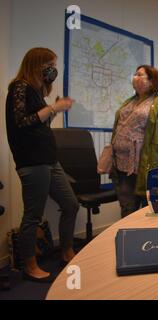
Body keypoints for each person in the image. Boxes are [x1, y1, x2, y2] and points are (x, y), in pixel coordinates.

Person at [5, 48, 79, 282]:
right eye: (49, 63)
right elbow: (22, 122)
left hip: (49, 159)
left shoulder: (37, 91)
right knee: (33, 216)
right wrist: (53, 109)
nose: (53, 69)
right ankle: (29, 264)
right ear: (36, 63)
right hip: (32, 162)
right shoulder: (19, 86)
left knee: (70, 204)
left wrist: (53, 110)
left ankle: (67, 252)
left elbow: (38, 124)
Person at [111, 65, 158, 217]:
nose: (135, 77)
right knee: (127, 210)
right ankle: (128, 239)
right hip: (123, 166)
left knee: (149, 211)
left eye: (139, 74)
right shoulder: (129, 102)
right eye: (135, 74)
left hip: (147, 167)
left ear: (151, 81)